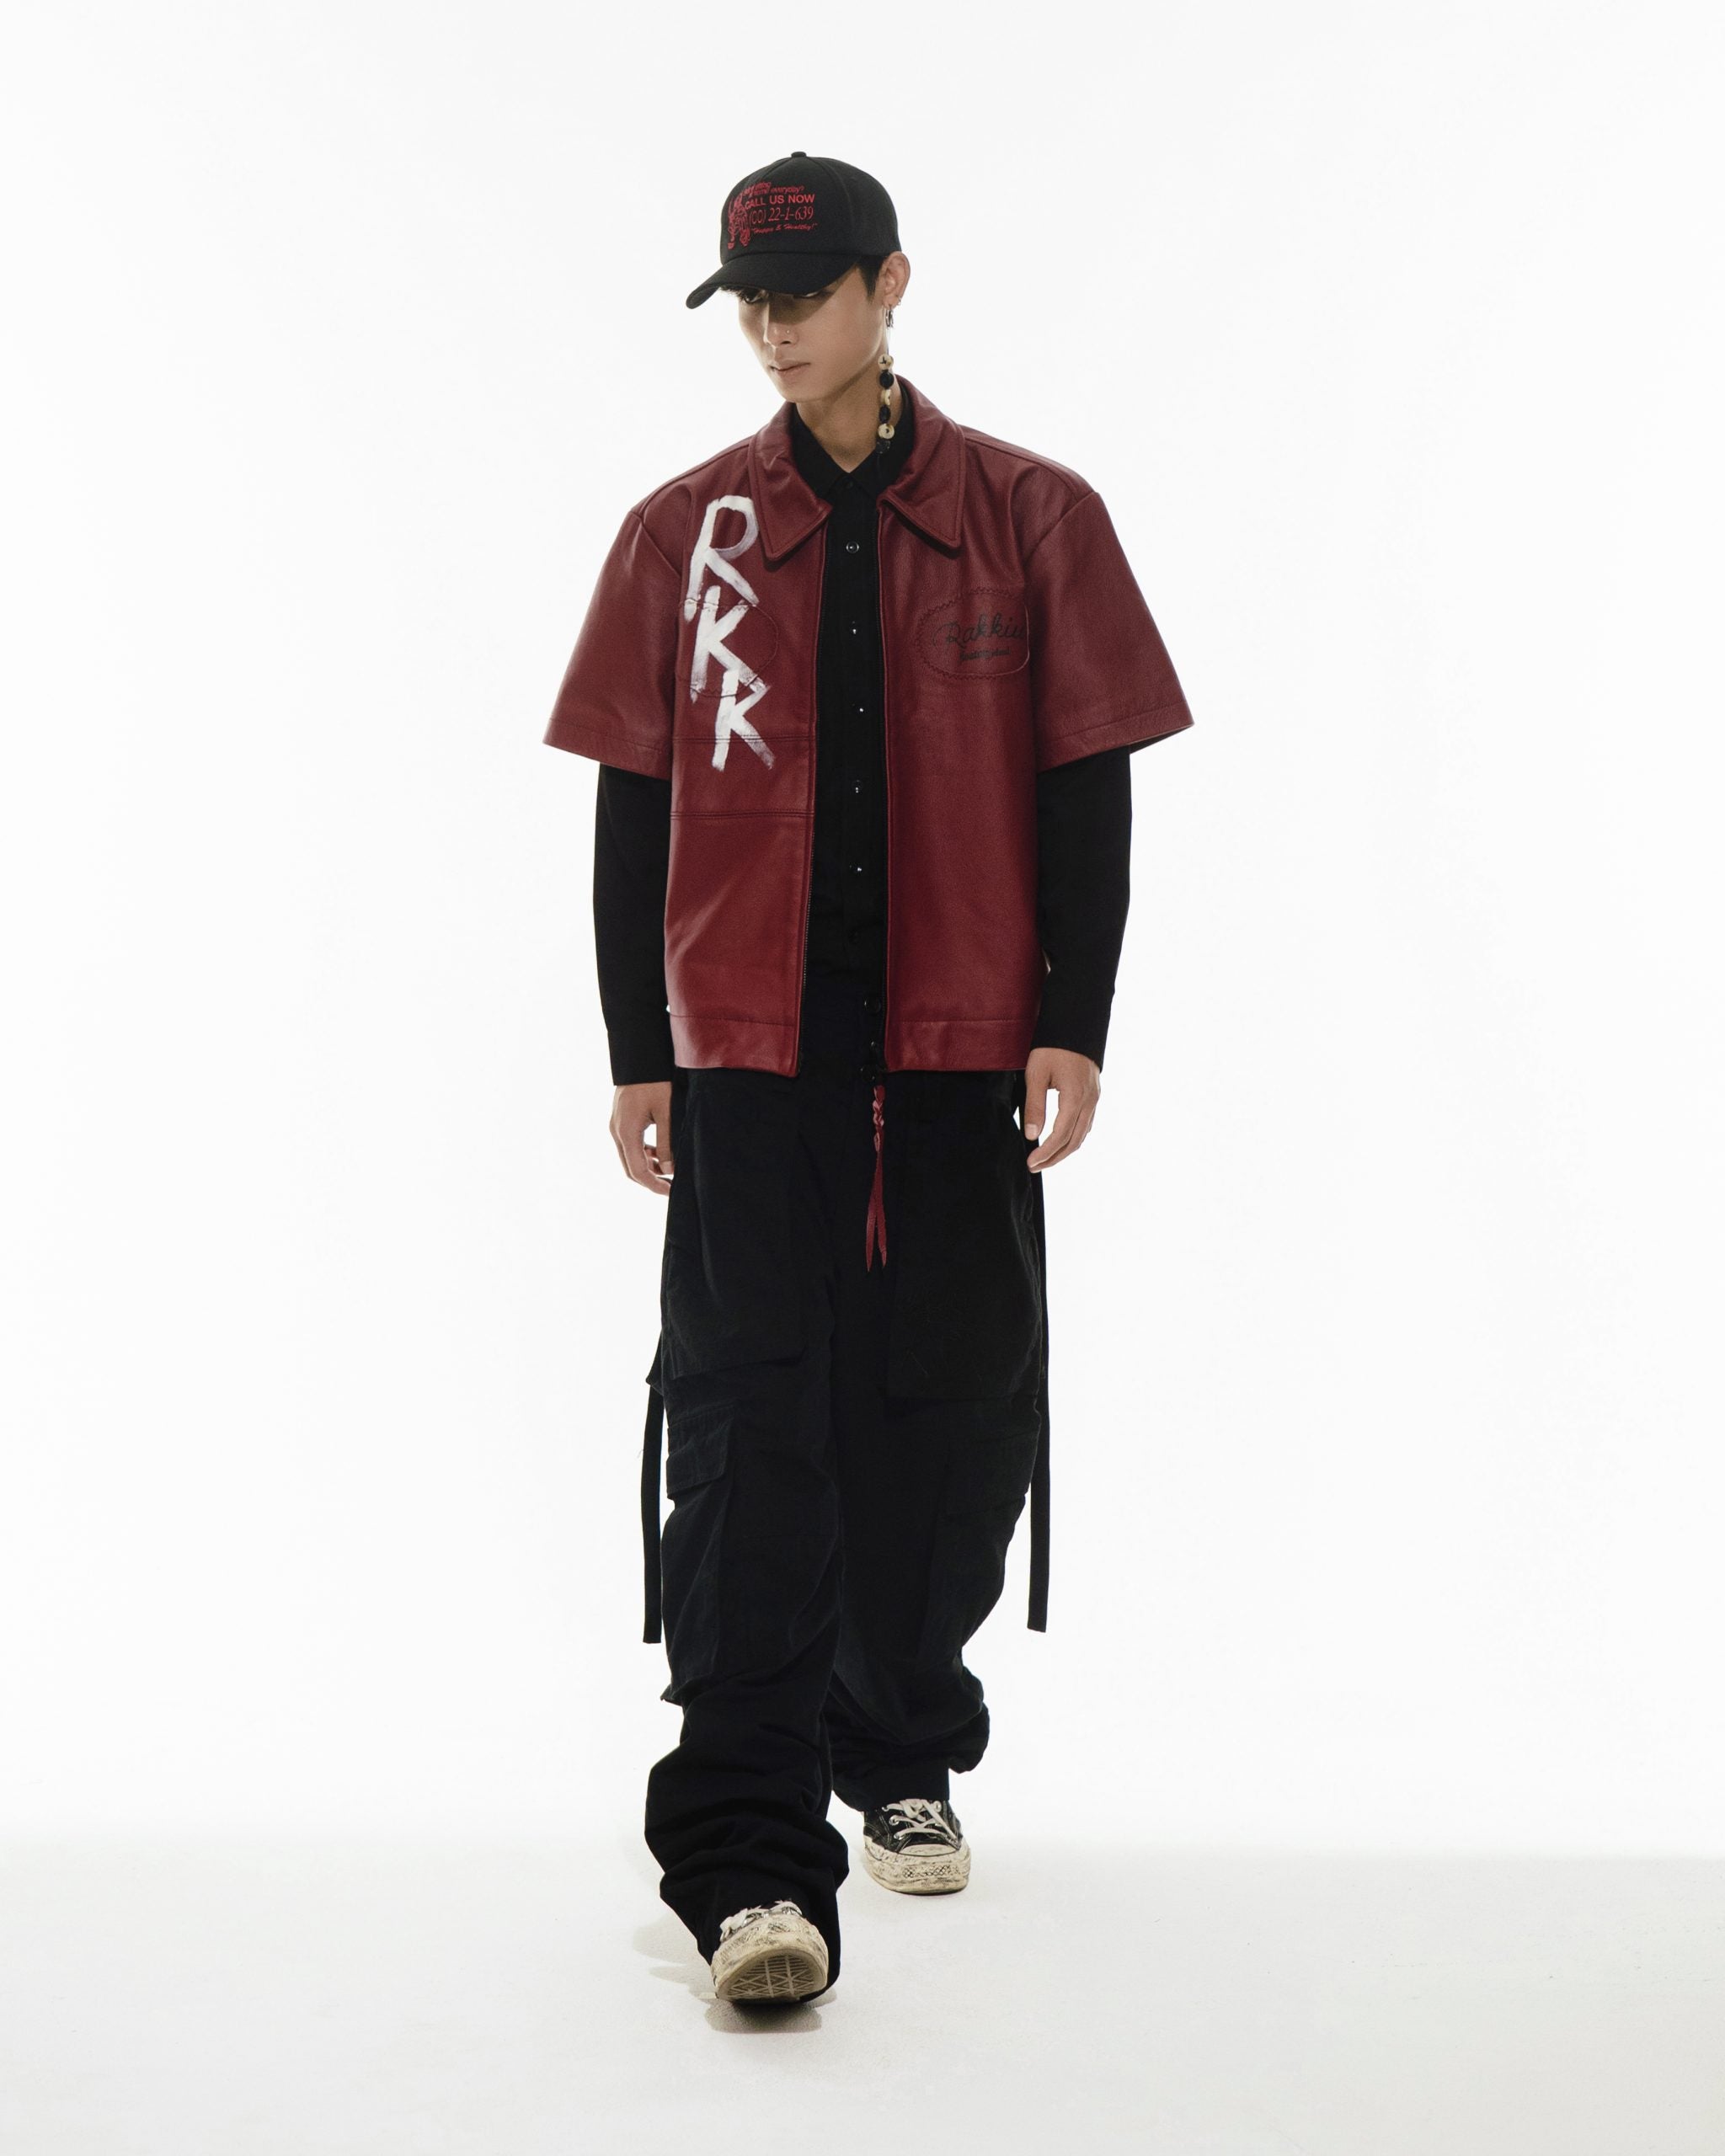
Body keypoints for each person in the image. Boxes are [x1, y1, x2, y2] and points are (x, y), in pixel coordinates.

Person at [542, 151, 1194, 2008]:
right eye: (750, 301)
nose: (775, 328)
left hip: (959, 1047)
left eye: (808, 293)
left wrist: (1074, 1019)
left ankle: (898, 1735)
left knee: (953, 1417)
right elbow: (633, 805)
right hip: (749, 1059)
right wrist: (639, 1050)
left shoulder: (1033, 517)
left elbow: (1086, 788)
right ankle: (748, 1860)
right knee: (751, 1428)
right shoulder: (682, 534)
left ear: (890, 284)